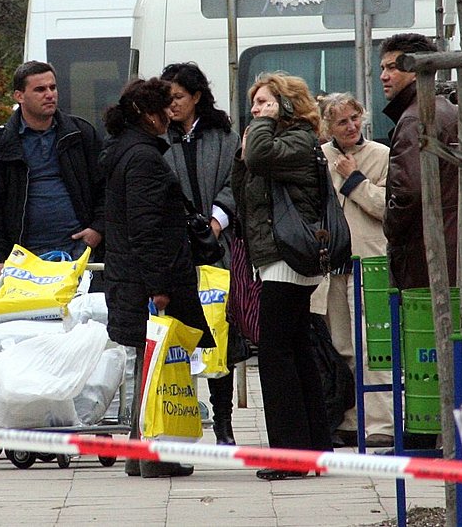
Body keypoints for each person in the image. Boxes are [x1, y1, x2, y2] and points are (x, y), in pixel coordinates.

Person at [100, 77, 215, 478]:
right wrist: (160, 288)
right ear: (149, 114)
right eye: (165, 107)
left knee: (146, 366)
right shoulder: (145, 159)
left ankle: (142, 451)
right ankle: (154, 452)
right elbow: (147, 228)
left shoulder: (122, 152)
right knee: (155, 367)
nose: (171, 114)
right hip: (148, 279)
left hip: (127, 275)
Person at [232, 72, 332, 481]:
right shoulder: (278, 141)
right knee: (295, 348)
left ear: (288, 105)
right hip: (277, 257)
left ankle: (290, 455)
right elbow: (243, 182)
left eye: (266, 102)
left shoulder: (297, 140)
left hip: (287, 257)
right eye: (254, 104)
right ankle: (315, 448)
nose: (256, 111)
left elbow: (255, 157)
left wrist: (262, 125)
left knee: (275, 354)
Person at [159, 62, 240, 446]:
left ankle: (223, 423)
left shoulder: (223, 136)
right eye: (166, 98)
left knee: (221, 334)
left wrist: (216, 222)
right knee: (181, 336)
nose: (171, 105)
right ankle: (182, 416)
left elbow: (235, 182)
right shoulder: (160, 138)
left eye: (177, 97)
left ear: (195, 97)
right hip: (176, 250)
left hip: (216, 248)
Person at [0, 61, 105, 280]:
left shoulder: (80, 134)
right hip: (22, 259)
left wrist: (97, 229)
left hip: (80, 254)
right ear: (19, 96)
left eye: (53, 87)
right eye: (40, 89)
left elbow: (107, 188)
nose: (49, 94)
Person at [309, 92, 394, 448]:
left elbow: (387, 207)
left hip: (367, 260)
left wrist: (355, 179)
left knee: (371, 343)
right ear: (327, 126)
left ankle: (381, 424)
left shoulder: (381, 155)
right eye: (342, 121)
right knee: (341, 344)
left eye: (354, 118)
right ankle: (349, 420)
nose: (351, 127)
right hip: (332, 264)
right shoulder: (318, 157)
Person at [380, 33, 459, 290]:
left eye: (393, 67)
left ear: (415, 71)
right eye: (383, 68)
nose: (384, 76)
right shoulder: (443, 108)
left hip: (426, 250)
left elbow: (408, 191)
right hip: (450, 243)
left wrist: (391, 229)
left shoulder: (415, 119)